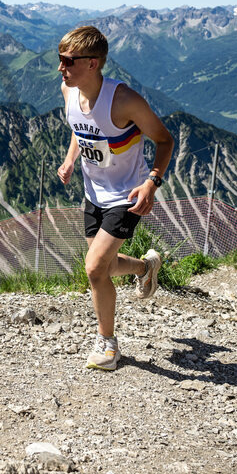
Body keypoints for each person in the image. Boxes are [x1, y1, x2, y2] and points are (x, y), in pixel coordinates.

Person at [56, 25, 174, 372]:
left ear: (92, 63)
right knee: (104, 265)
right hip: (93, 193)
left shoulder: (125, 101)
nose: (61, 68)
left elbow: (165, 140)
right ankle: (146, 267)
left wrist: (152, 182)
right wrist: (70, 158)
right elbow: (81, 129)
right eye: (60, 59)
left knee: (94, 268)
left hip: (127, 194)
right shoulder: (69, 90)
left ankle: (108, 345)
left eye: (67, 61)